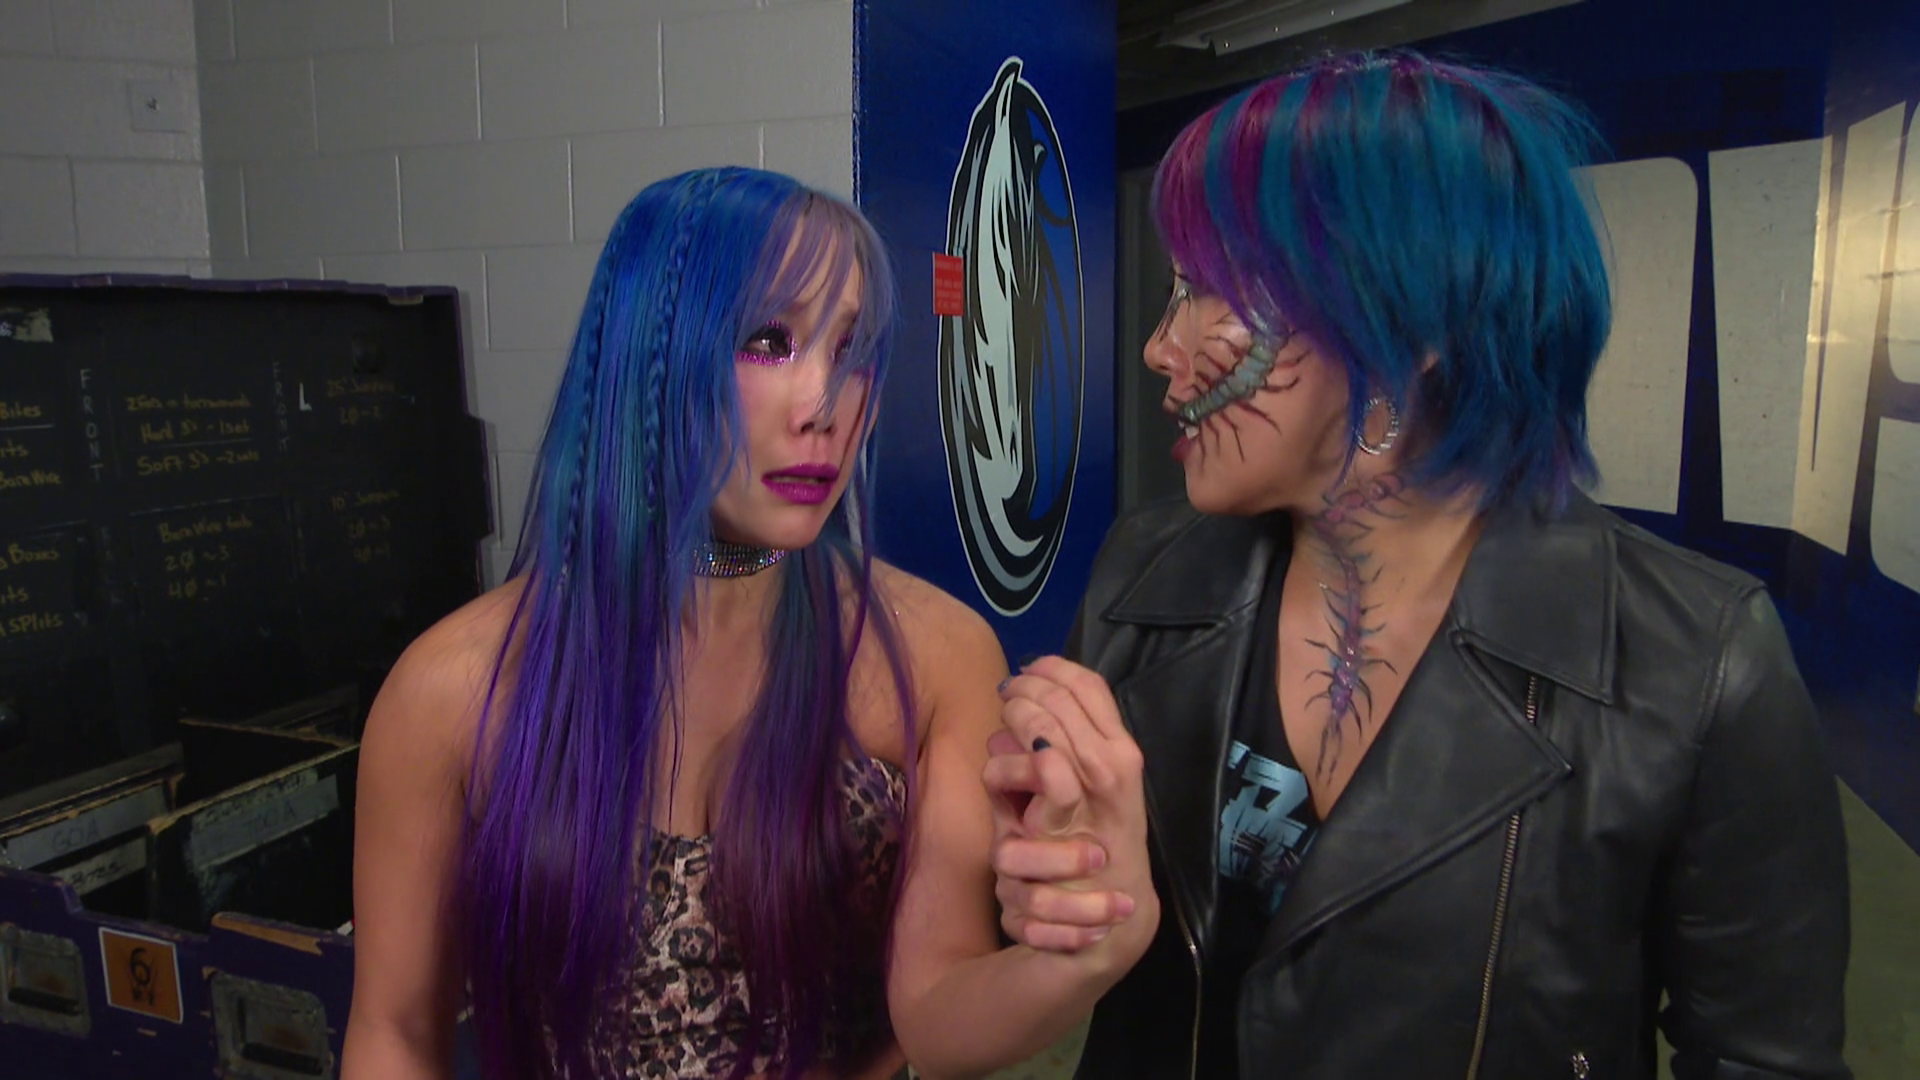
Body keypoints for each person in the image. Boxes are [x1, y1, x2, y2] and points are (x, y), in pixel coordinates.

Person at [984, 51, 1853, 1080]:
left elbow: (1764, 1057)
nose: (1160, 346)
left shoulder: (1698, 662)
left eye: (1212, 290)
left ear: (1407, 326)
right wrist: (1050, 891)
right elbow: (1036, 943)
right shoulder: (1144, 573)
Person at [340, 166, 1034, 1080]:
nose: (826, 406)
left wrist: (1089, 943)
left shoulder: (935, 655)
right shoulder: (451, 689)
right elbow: (395, 1031)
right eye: (769, 341)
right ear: (650, 355)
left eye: (852, 349)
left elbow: (941, 1017)